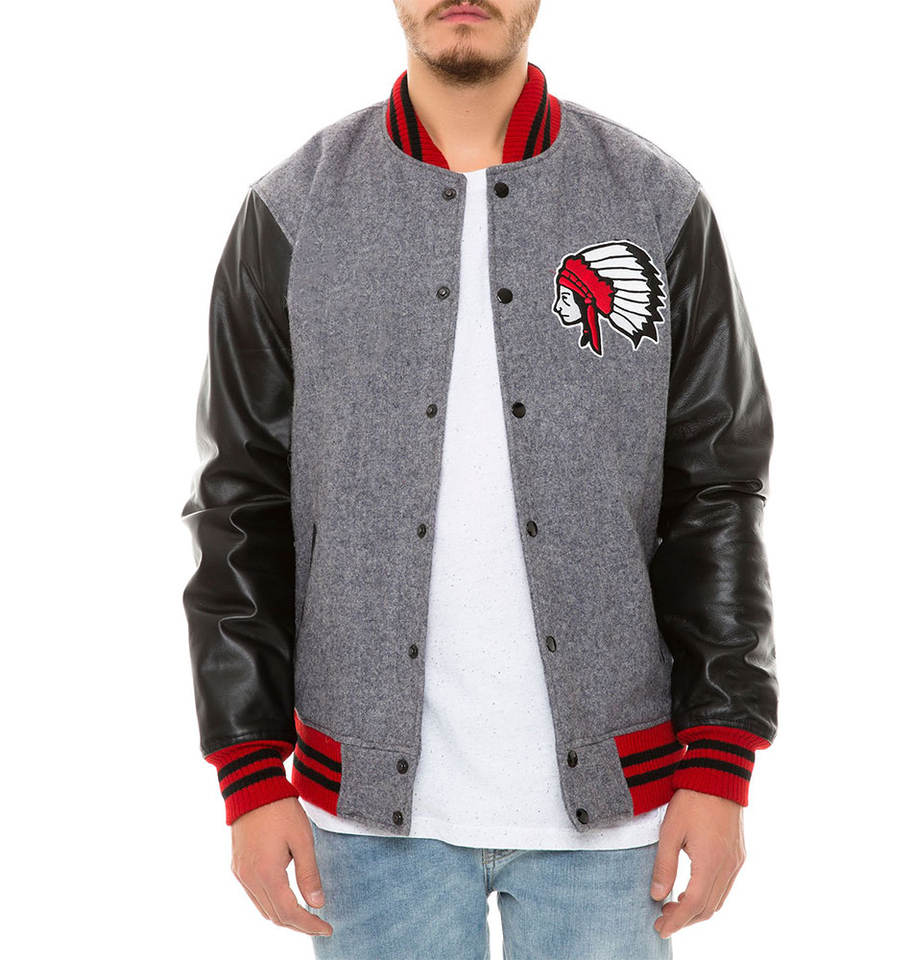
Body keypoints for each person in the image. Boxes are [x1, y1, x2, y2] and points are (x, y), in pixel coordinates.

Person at [180, 1, 779, 956]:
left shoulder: (654, 203)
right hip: (364, 824)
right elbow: (240, 502)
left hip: (621, 815)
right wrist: (248, 772)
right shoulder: (293, 213)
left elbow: (716, 491)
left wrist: (721, 761)